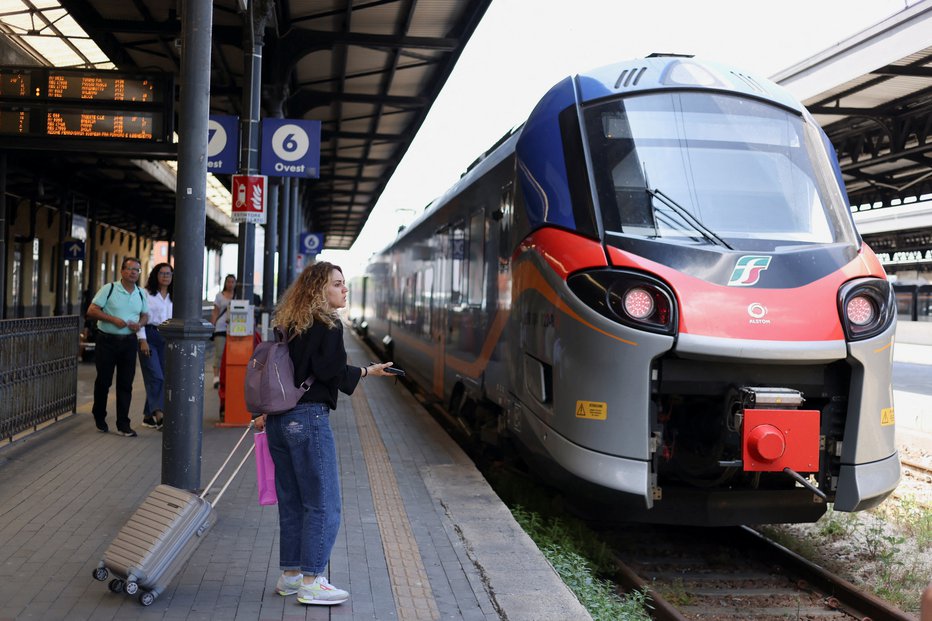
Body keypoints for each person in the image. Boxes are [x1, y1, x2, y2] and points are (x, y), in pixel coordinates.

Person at [254, 262, 395, 606]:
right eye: (337, 284)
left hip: (278, 422)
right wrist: (364, 370)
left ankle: (289, 576)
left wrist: (360, 370)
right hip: (308, 419)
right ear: (320, 290)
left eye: (344, 284)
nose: (344, 289)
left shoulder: (290, 322)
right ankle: (313, 580)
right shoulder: (328, 325)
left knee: (292, 502)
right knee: (323, 503)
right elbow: (329, 370)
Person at [86, 257, 149, 437]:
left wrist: (140, 324)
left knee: (126, 383)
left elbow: (145, 315)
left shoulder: (140, 293)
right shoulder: (110, 288)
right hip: (107, 341)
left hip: (129, 342)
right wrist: (112, 319)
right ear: (122, 271)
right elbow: (91, 311)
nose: (133, 273)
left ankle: (123, 424)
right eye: (130, 269)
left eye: (136, 270)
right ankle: (99, 415)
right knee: (104, 381)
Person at [137, 263, 173, 430]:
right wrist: (142, 339)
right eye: (162, 273)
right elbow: (141, 317)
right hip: (150, 335)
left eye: (169, 273)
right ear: (155, 275)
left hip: (168, 338)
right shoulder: (145, 294)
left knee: (163, 377)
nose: (165, 276)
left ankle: (147, 416)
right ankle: (160, 416)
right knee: (155, 376)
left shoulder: (175, 296)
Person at [210, 274, 236, 388]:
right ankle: (216, 377)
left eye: (232, 282)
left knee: (232, 354)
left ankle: (227, 376)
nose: (230, 284)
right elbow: (215, 312)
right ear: (225, 283)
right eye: (228, 282)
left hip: (234, 329)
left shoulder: (238, 296)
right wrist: (212, 326)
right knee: (219, 353)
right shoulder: (219, 296)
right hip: (220, 327)